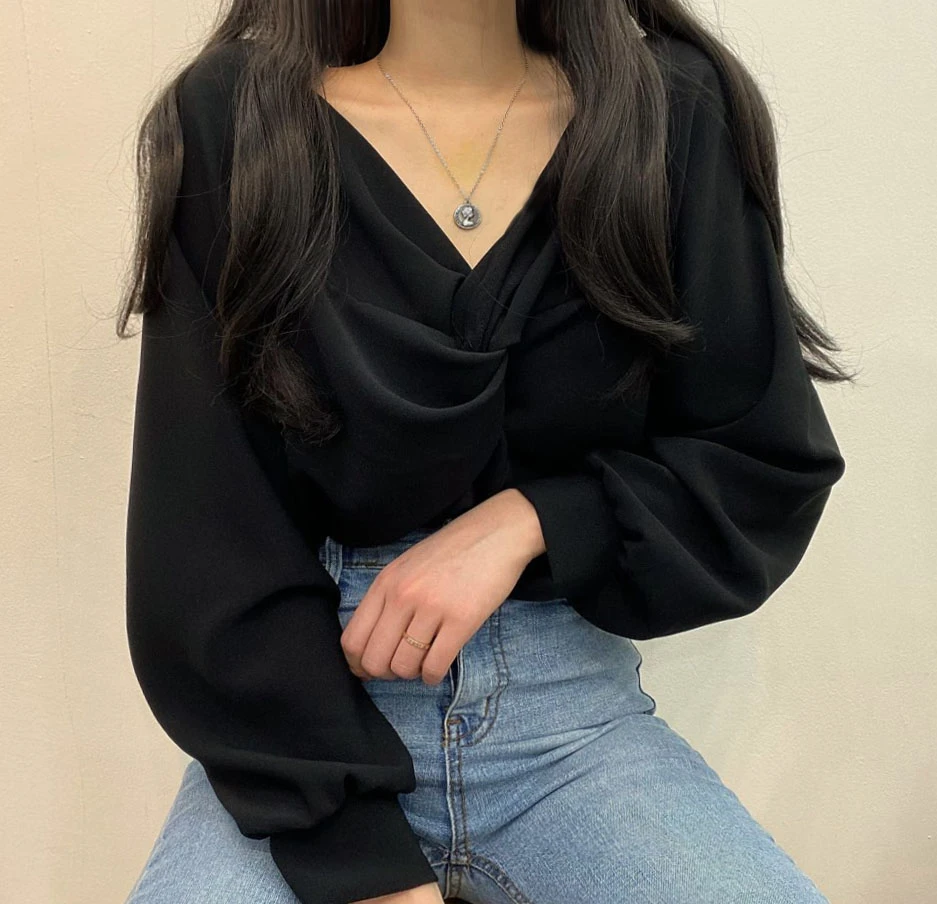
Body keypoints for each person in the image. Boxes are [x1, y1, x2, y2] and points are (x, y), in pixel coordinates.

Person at [117, 2, 852, 903]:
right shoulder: (238, 117)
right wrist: (357, 860)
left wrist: (536, 519)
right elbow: (204, 531)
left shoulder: (668, 110)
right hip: (301, 732)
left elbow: (760, 462)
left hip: (569, 731)